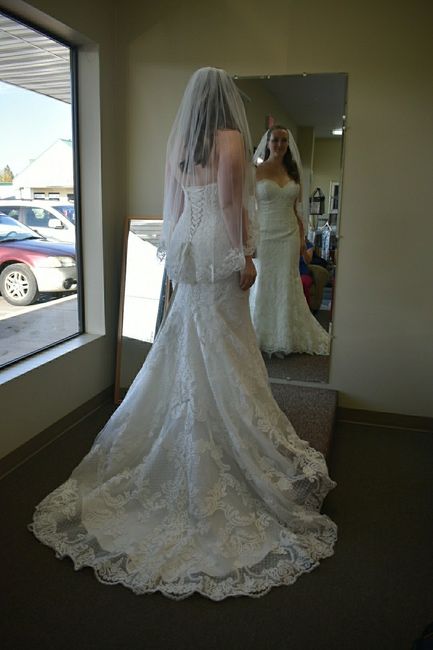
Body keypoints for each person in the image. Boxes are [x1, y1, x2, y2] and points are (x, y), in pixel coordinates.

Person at [30, 69, 336, 601]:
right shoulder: (231, 140)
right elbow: (229, 204)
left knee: (189, 339)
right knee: (227, 343)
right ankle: (224, 432)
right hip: (219, 245)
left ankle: (190, 424)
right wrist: (245, 256)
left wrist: (176, 255)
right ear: (225, 104)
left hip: (189, 248)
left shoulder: (180, 144)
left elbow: (173, 204)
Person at [249, 125, 330, 356]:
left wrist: (303, 238)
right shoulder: (256, 171)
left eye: (284, 141)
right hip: (265, 235)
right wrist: (250, 239)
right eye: (275, 140)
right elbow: (250, 208)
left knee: (286, 281)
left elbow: (298, 209)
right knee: (264, 281)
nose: (280, 145)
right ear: (268, 143)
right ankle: (260, 333)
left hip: (289, 235)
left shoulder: (293, 172)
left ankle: (284, 334)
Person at [299, 237, 315, 307]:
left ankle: (306, 307)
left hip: (304, 274)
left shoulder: (308, 245)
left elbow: (308, 261)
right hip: (291, 273)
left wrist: (303, 250)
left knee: (302, 283)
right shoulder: (289, 244)